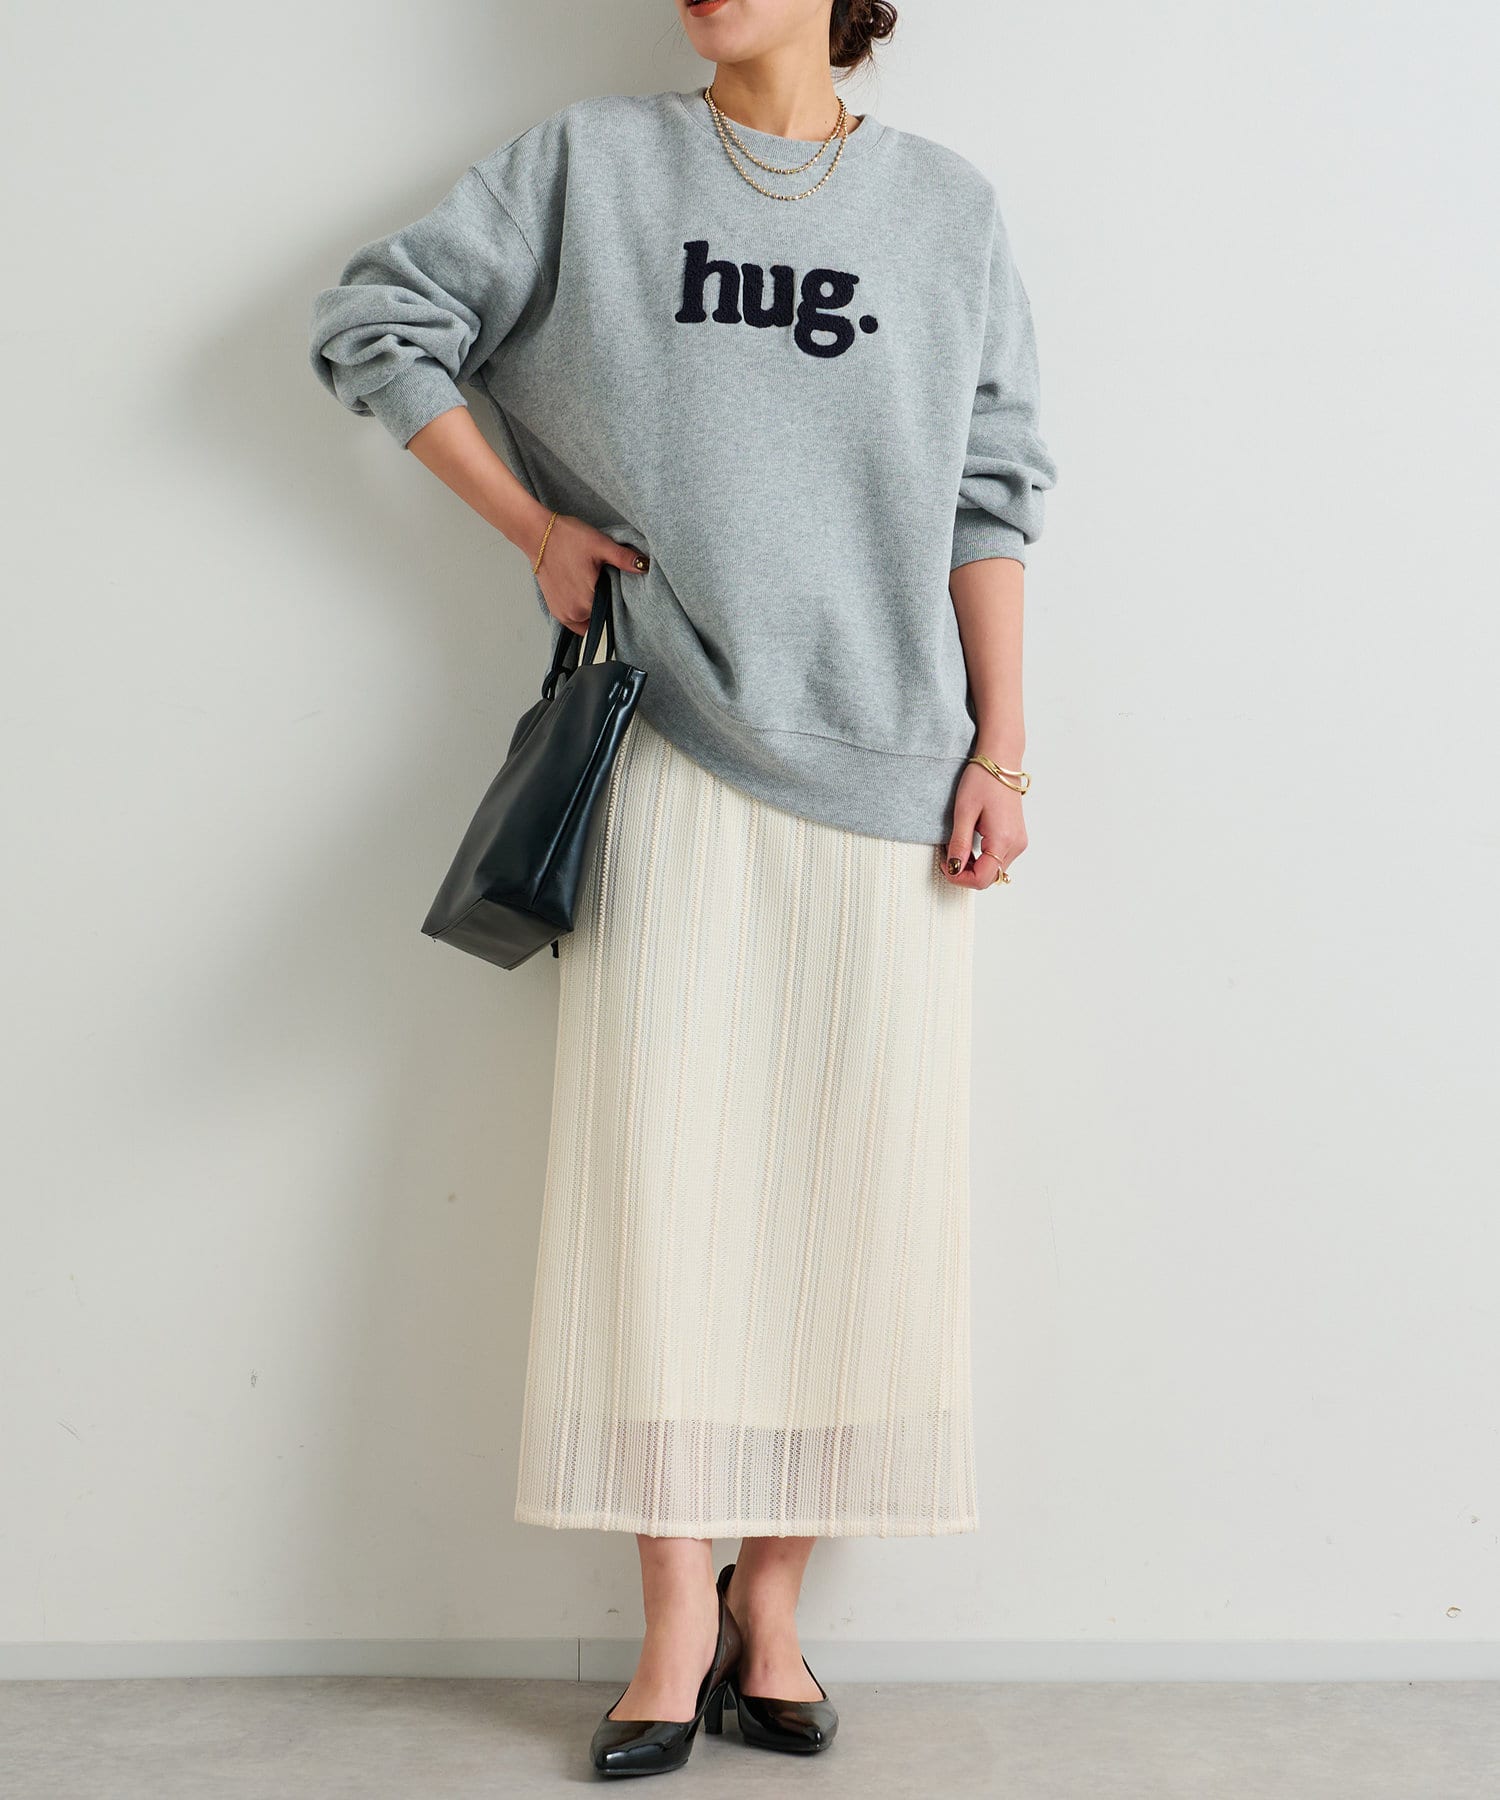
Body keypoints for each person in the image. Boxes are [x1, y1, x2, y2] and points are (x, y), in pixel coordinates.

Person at [308, 0, 1057, 1777]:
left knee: (855, 1200)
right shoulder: (595, 168)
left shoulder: (946, 210)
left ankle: (769, 1609)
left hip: (890, 774)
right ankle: (668, 1620)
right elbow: (376, 320)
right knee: (659, 1192)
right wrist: (535, 529)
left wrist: (1004, 751)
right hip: (670, 750)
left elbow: (991, 491)